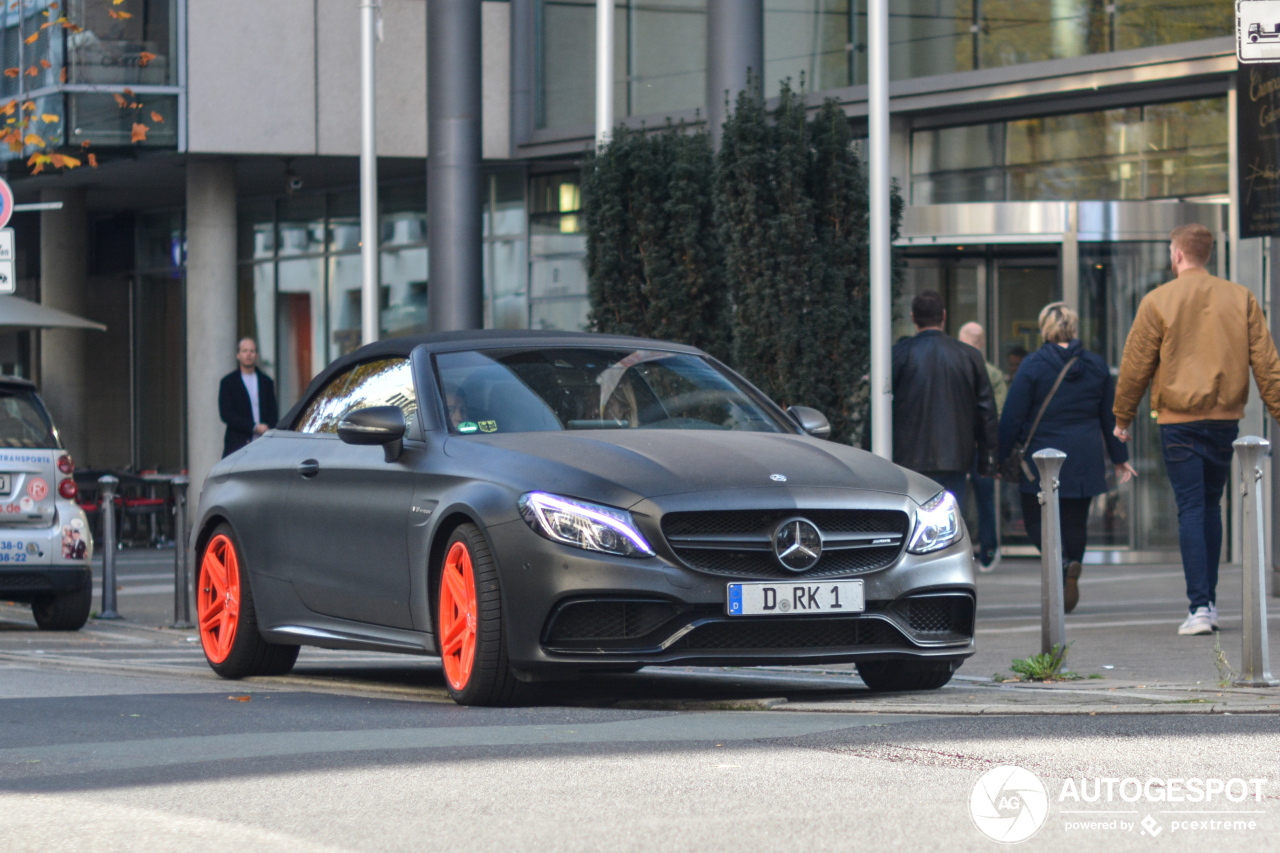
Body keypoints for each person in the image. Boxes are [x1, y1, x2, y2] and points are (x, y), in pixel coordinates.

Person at [1113, 224, 1280, 635]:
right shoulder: (1240, 297)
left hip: (1178, 420)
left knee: (1189, 507)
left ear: (1177, 255)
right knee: (1211, 504)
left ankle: (1199, 607)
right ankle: (1210, 603)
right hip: (1225, 418)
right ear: (1207, 254)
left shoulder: (1158, 300)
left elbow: (1136, 364)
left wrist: (1122, 417)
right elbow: (1266, 362)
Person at [1000, 303, 1136, 613]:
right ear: (1074, 329)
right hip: (1084, 456)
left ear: (1044, 328)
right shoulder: (1096, 365)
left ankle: (1060, 562)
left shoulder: (1033, 365)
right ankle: (1072, 562)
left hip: (1041, 460)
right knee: (1076, 521)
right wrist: (1120, 457)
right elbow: (1109, 416)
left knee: (1035, 520)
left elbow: (1012, 416)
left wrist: (998, 458)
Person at [892, 290, 999, 514]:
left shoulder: (898, 355)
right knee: (951, 521)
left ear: (913, 317)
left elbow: (881, 409)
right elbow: (986, 411)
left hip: (908, 459)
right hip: (956, 457)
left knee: (914, 521)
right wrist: (987, 457)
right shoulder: (969, 355)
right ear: (944, 315)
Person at [958, 322, 1006, 570]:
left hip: (955, 444)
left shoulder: (951, 369)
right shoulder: (993, 374)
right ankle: (988, 550)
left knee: (952, 499)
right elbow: (997, 412)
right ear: (982, 342)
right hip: (981, 445)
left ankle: (955, 550)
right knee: (985, 499)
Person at [219, 338, 279, 458]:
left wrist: (268, 430)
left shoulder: (266, 382)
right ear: (238, 355)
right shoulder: (228, 382)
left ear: (256, 355)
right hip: (237, 444)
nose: (248, 354)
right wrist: (253, 427)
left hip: (263, 444)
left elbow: (273, 411)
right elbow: (227, 414)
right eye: (245, 351)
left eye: (252, 351)